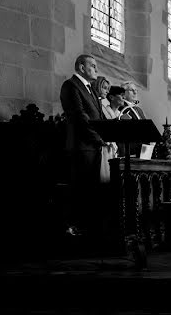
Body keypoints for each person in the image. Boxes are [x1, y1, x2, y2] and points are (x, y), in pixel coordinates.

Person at [59, 54, 107, 237]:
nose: (96, 69)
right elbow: (80, 117)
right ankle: (74, 229)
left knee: (90, 191)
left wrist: (107, 137)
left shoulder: (91, 89)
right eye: (93, 66)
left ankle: (88, 229)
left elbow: (99, 118)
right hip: (80, 147)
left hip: (93, 146)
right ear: (81, 67)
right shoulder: (70, 86)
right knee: (79, 190)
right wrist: (100, 139)